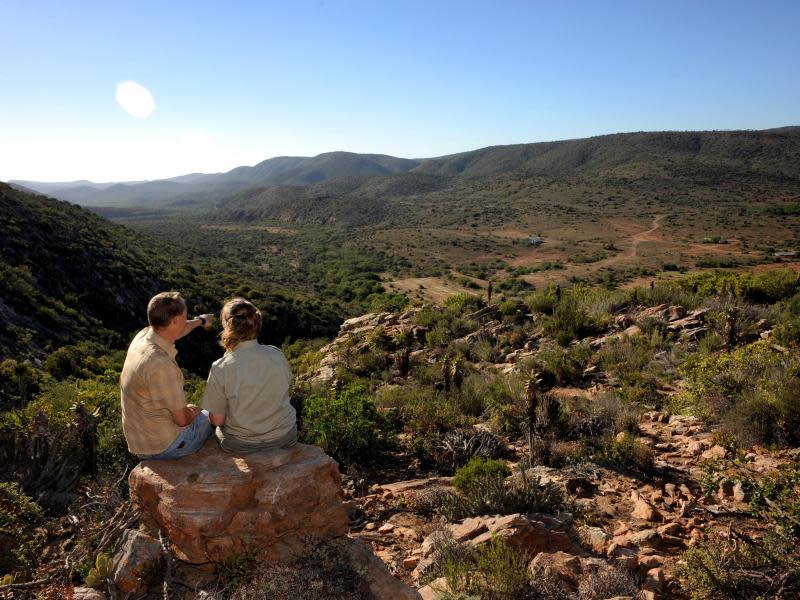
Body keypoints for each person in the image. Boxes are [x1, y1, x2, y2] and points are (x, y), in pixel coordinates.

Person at [120, 291, 214, 459]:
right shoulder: (161, 365)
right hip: (165, 446)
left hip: (140, 441)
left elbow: (180, 329)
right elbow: (182, 421)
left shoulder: (143, 336)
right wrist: (195, 410)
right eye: (186, 316)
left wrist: (200, 321)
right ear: (176, 320)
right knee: (214, 413)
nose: (187, 320)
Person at [202, 298, 297, 453]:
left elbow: (217, 420)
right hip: (284, 436)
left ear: (227, 326)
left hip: (241, 443)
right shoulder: (277, 354)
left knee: (204, 417)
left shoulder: (221, 367)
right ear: (256, 323)